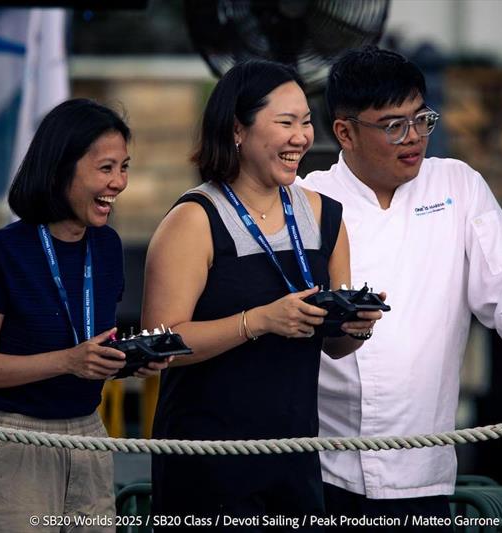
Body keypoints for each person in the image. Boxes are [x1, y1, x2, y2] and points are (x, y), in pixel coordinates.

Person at [301, 46, 502, 530]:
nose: (414, 137)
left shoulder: (456, 183)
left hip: (425, 466)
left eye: (422, 119)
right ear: (345, 132)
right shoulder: (307, 198)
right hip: (317, 466)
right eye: (394, 126)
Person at [141, 60, 384, 529]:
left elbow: (335, 347)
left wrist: (357, 326)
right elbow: (161, 346)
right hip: (206, 460)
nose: (301, 137)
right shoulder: (194, 218)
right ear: (238, 129)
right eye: (285, 123)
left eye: (306, 122)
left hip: (294, 455)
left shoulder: (324, 215)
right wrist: (259, 321)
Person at [0, 99, 168, 532]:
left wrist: (129, 361)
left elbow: (90, 349)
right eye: (106, 168)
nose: (119, 183)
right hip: (15, 439)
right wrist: (69, 360)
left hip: (90, 433)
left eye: (124, 167)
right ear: (61, 168)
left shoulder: (107, 247)